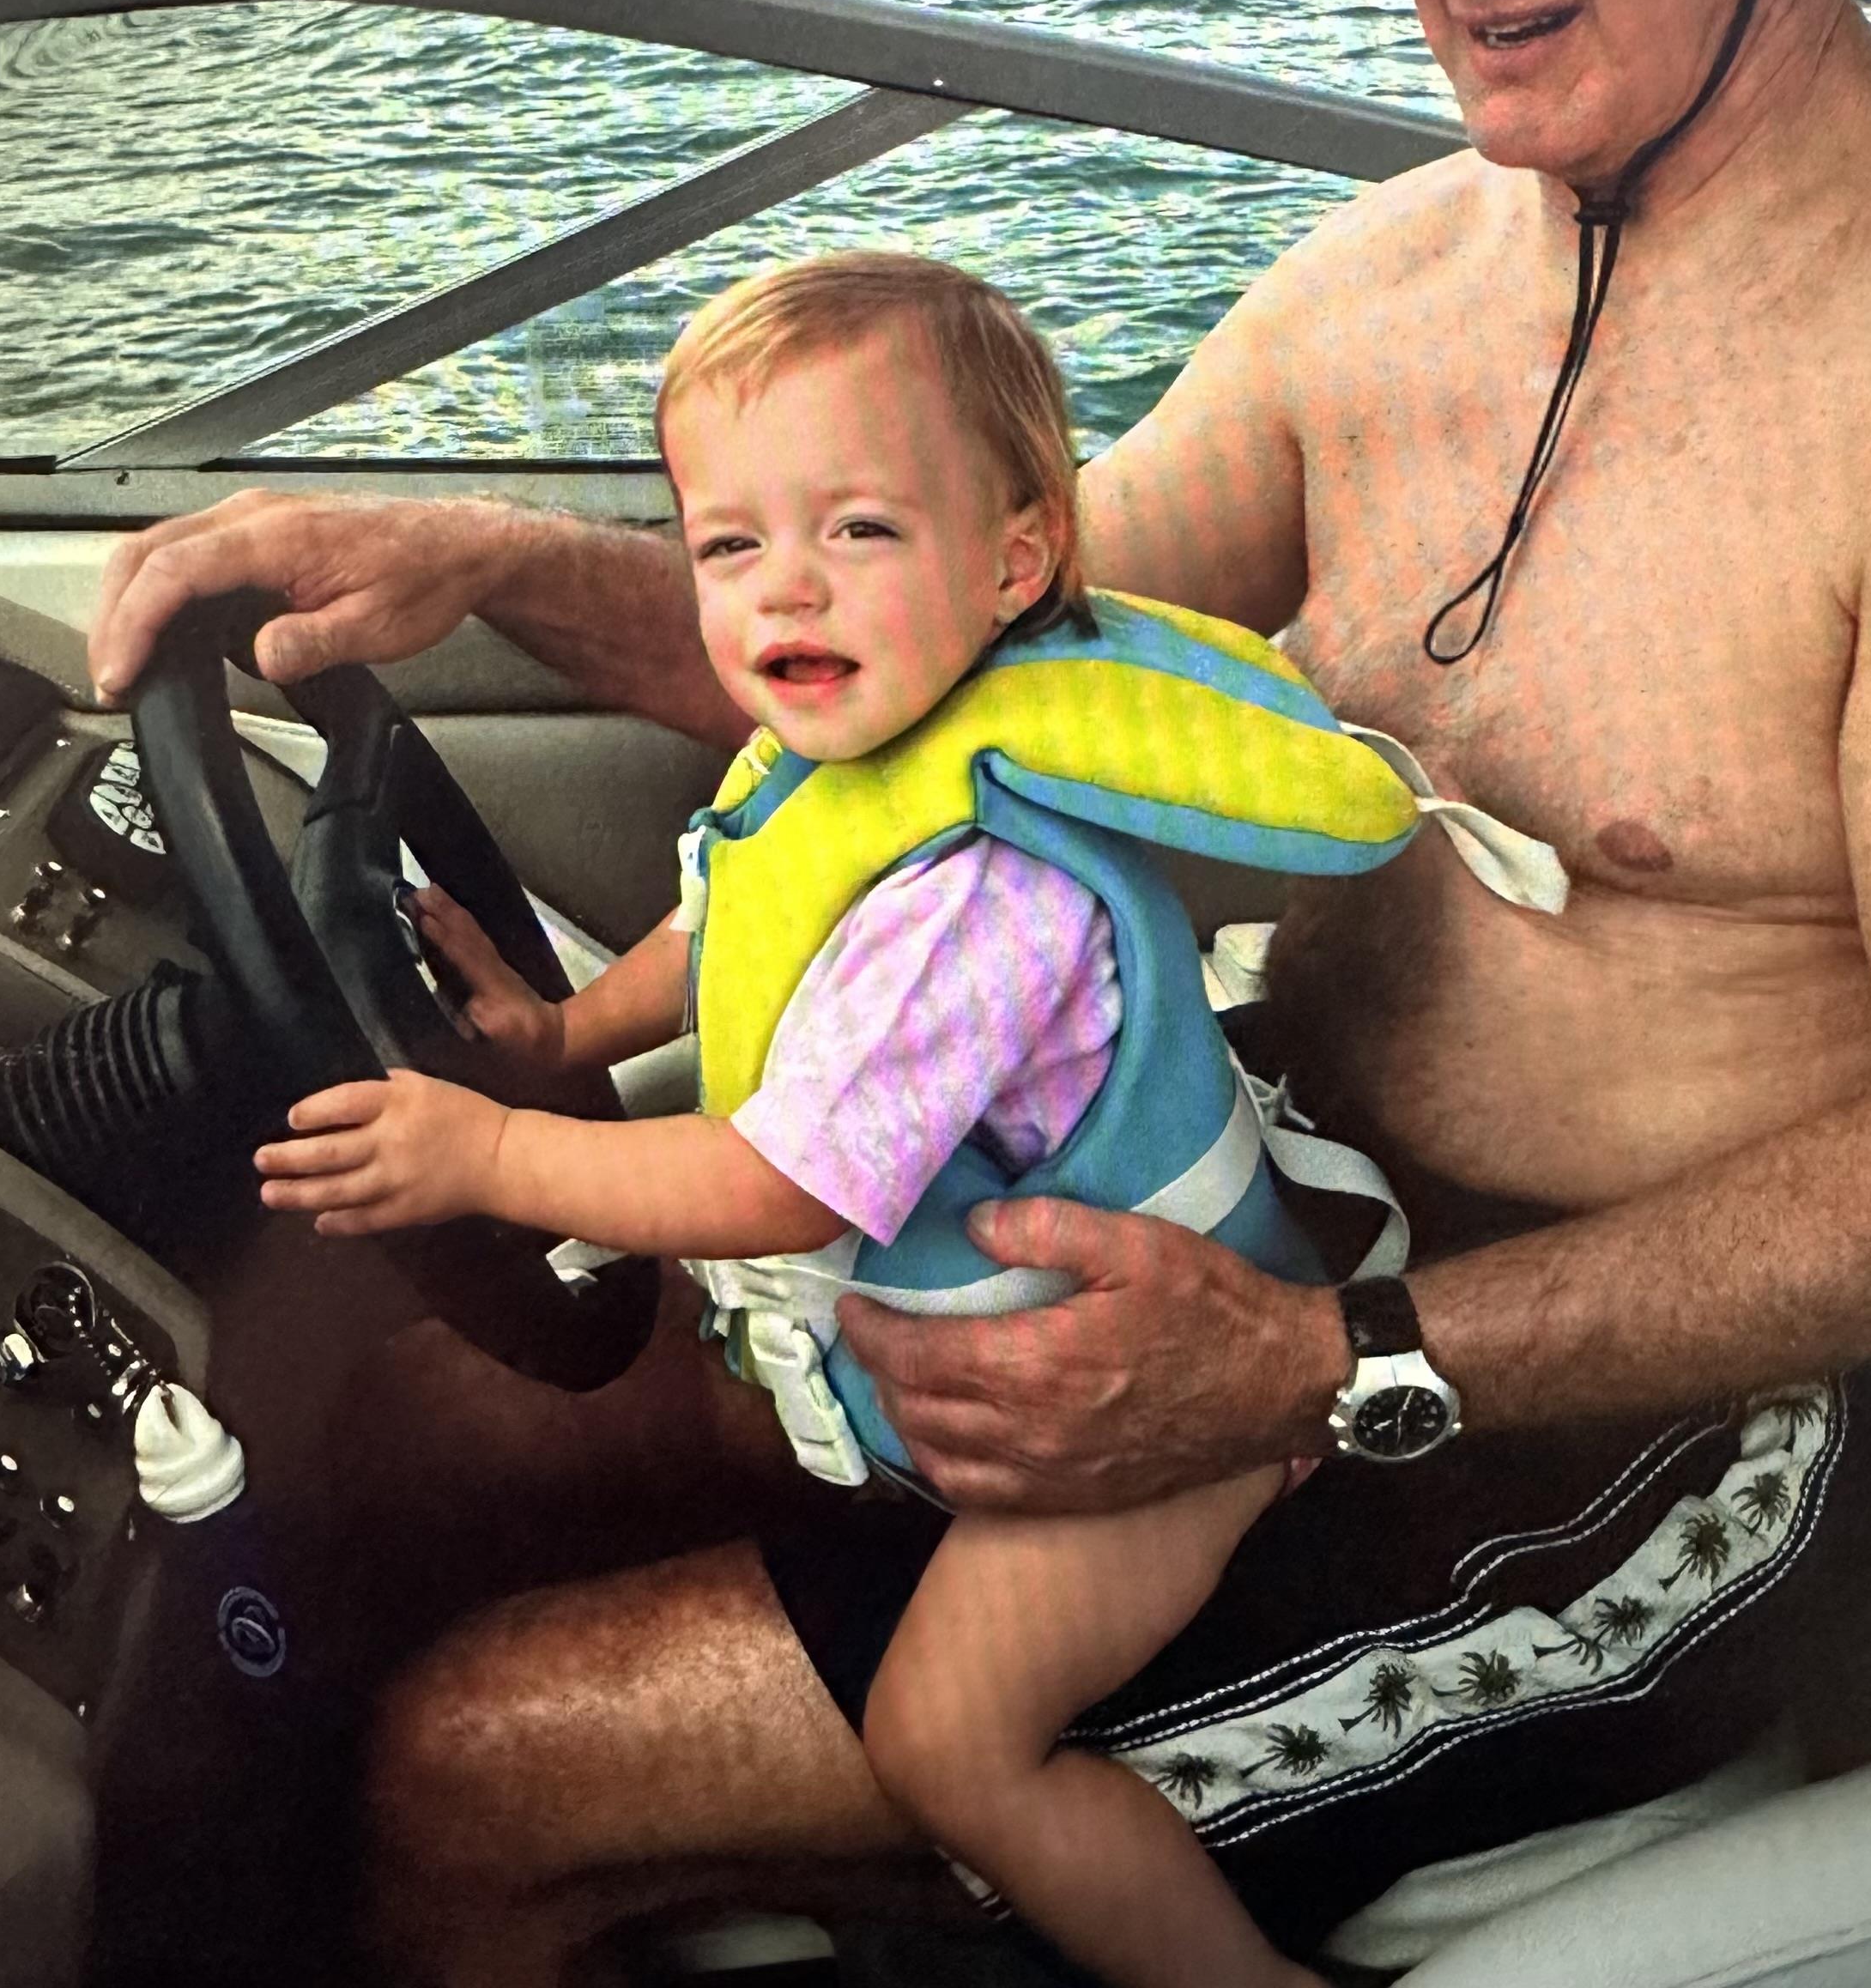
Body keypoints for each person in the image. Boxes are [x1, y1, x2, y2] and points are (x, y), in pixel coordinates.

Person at [88, 0, 1871, 1984]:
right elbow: (943, 655)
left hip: (1640, 1444)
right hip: (1226, 1196)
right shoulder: (1380, 289)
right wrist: (480, 561)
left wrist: (1330, 1359)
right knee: (394, 1419)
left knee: (493, 1761)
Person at [251, 250, 1432, 1988]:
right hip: (970, 1357)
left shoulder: (974, 898)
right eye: (729, 546)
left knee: (951, 1746)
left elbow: (778, 1184)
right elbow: (730, 926)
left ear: (1015, 560)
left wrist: (487, 1150)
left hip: (1164, 1418)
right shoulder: (838, 766)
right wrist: (561, 1028)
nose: (784, 588)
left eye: (859, 529)